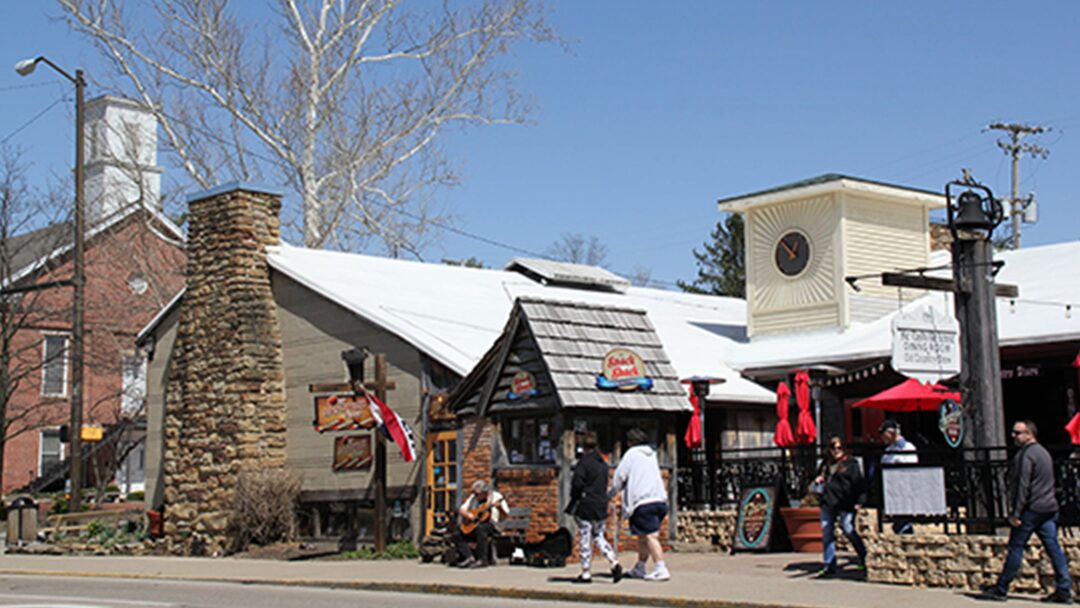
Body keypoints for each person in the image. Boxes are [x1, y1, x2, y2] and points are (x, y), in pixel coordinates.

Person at [981, 420, 1072, 603]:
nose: (1013, 436)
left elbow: (1022, 486)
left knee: (1016, 547)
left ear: (1030, 434)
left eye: (1018, 433)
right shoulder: (1044, 453)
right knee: (1053, 548)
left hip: (1031, 509)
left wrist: (1015, 512)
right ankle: (1064, 588)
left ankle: (1002, 588)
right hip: (1048, 507)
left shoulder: (1026, 455)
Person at [610, 427, 670, 581]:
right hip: (659, 499)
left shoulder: (631, 455)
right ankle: (640, 566)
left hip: (643, 501)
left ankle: (660, 567)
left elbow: (619, 476)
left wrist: (612, 491)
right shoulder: (651, 455)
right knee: (643, 536)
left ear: (631, 442)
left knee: (651, 536)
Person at [567, 431, 622, 584]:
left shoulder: (583, 464)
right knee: (598, 535)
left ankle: (585, 572)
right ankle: (613, 561)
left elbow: (577, 484)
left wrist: (575, 496)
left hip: (586, 504)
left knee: (585, 536)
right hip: (600, 503)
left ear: (583, 447)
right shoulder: (603, 464)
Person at [814, 435, 868, 577]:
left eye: (839, 448)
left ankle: (864, 556)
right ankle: (829, 564)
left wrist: (860, 501)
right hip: (828, 501)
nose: (836, 451)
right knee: (827, 533)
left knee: (848, 529)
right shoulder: (825, 464)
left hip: (845, 501)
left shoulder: (851, 463)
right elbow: (818, 477)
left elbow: (859, 483)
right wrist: (819, 479)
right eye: (833, 447)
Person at [452, 479, 509, 568]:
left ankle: (482, 559)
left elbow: (505, 516)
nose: (475, 496)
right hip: (476, 525)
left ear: (484, 493)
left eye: (477, 494)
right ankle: (469, 557)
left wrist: (499, 508)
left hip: (493, 525)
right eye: (475, 494)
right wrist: (469, 515)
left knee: (481, 529)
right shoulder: (473, 498)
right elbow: (462, 509)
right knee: (457, 534)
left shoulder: (496, 497)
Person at [878, 419, 918, 534]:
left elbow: (911, 465)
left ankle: (906, 534)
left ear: (891, 433)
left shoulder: (908, 447)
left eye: (883, 434)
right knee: (896, 519)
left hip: (905, 489)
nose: (882, 438)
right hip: (892, 489)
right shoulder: (889, 450)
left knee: (904, 519)